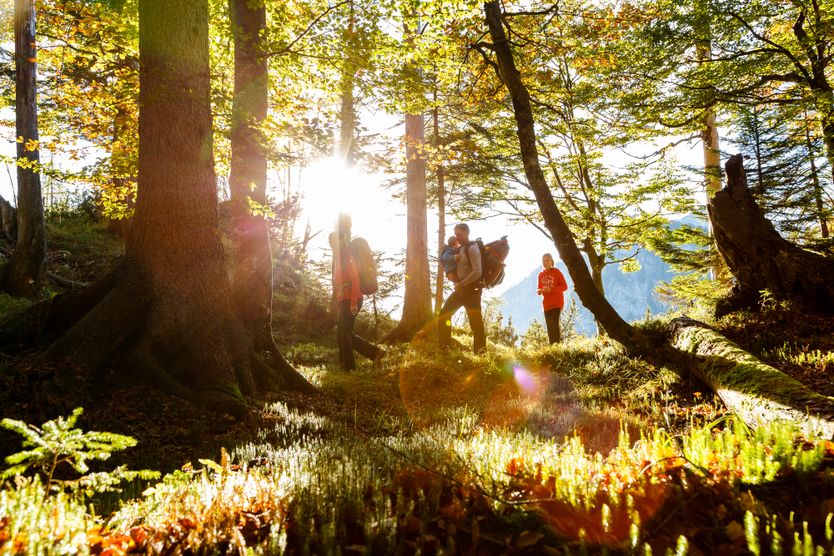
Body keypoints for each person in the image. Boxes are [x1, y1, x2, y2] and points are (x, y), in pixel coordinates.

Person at [330, 216, 384, 371]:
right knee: (344, 333)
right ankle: (375, 353)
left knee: (344, 333)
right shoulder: (339, 259)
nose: (333, 244)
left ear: (342, 241)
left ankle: (349, 369)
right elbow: (339, 283)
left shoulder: (348, 257)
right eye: (331, 242)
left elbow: (355, 280)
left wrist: (353, 302)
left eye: (335, 241)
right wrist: (337, 301)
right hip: (344, 299)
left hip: (353, 298)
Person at [438, 223, 486, 354]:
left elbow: (477, 271)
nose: (457, 237)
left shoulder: (473, 248)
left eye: (459, 234)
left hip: (472, 291)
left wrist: (462, 284)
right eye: (456, 235)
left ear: (466, 233)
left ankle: (481, 352)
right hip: (461, 290)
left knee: (475, 323)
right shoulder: (460, 249)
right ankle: (444, 347)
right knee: (444, 315)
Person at [537, 253, 568, 344]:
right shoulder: (540, 274)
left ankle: (558, 345)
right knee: (549, 327)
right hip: (546, 304)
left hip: (557, 303)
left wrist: (551, 289)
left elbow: (565, 286)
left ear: (552, 262)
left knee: (554, 324)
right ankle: (553, 347)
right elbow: (539, 287)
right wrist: (539, 291)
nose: (545, 262)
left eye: (547, 260)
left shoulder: (556, 272)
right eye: (543, 261)